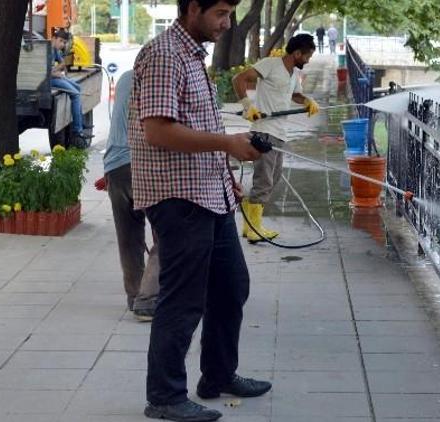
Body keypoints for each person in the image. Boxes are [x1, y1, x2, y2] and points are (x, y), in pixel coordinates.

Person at [129, 0, 271, 420]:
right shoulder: (163, 55)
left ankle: (219, 375)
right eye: (221, 14)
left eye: (229, 15)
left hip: (210, 192)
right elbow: (157, 130)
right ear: (193, 8)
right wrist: (227, 144)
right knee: (183, 299)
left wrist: (227, 169)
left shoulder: (191, 55)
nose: (227, 24)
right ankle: (165, 397)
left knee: (231, 286)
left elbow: (197, 124)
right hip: (178, 197)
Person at [232, 34, 319, 243]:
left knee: (274, 178)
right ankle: (254, 228)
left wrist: (307, 100)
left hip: (280, 133)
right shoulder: (271, 65)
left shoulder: (293, 75)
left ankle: (250, 220)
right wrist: (247, 105)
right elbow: (239, 78)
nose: (308, 60)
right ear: (297, 52)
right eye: (307, 56)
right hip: (264, 131)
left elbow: (294, 95)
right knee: (264, 180)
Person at [97, 70, 160, 322]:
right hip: (145, 164)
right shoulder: (159, 78)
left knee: (128, 237)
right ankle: (148, 299)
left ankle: (135, 295)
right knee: (168, 233)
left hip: (115, 165)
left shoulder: (125, 78)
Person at [51, 30, 90, 142]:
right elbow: (45, 73)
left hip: (56, 76)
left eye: (64, 42)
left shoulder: (56, 50)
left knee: (77, 87)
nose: (62, 44)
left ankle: (81, 122)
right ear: (54, 38)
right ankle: (78, 130)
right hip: (49, 81)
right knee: (76, 95)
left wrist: (63, 69)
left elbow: (62, 63)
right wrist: (57, 71)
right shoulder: (47, 50)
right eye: (60, 41)